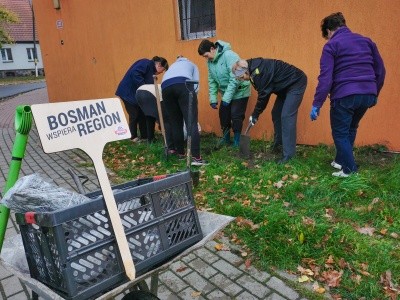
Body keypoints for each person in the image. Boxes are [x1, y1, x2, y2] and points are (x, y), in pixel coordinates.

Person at [310, 12, 385, 177]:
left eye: (327, 35)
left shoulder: (331, 45)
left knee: (340, 133)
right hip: (367, 94)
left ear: (329, 31)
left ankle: (350, 170)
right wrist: (373, 92)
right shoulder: (367, 41)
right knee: (351, 128)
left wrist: (317, 103)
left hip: (345, 95)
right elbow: (380, 71)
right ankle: (341, 161)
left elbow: (326, 78)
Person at [232, 58, 307, 164]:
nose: (243, 79)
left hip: (295, 83)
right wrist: (255, 114)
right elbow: (264, 92)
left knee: (286, 116)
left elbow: (263, 95)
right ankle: (279, 145)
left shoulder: (258, 73)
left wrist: (255, 114)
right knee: (276, 113)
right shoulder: (252, 68)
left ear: (245, 71)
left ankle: (289, 156)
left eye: (242, 77)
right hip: (283, 87)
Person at [198, 40, 251, 147]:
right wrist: (213, 98)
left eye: (206, 55)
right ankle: (226, 139)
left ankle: (237, 140)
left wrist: (226, 98)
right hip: (227, 93)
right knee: (224, 115)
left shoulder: (229, 55)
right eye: (204, 57)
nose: (206, 58)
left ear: (212, 49)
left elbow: (235, 78)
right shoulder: (210, 62)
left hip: (240, 90)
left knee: (236, 115)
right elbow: (212, 80)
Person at [161, 56, 208, 166]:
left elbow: (166, 81)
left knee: (175, 123)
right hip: (184, 84)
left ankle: (181, 154)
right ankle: (196, 158)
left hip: (166, 88)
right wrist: (192, 101)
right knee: (191, 123)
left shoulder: (172, 66)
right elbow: (195, 84)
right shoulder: (192, 64)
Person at [116, 56, 168, 142]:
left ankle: (145, 136)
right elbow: (135, 73)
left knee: (142, 114)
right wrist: (143, 87)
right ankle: (133, 137)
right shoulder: (146, 63)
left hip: (135, 95)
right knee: (134, 114)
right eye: (163, 70)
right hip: (127, 93)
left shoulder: (151, 72)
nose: (162, 72)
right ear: (159, 65)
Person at [136, 84, 174, 148]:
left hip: (138, 92)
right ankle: (170, 144)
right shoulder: (169, 93)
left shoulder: (165, 86)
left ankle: (150, 139)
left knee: (149, 117)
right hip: (151, 93)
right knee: (166, 120)